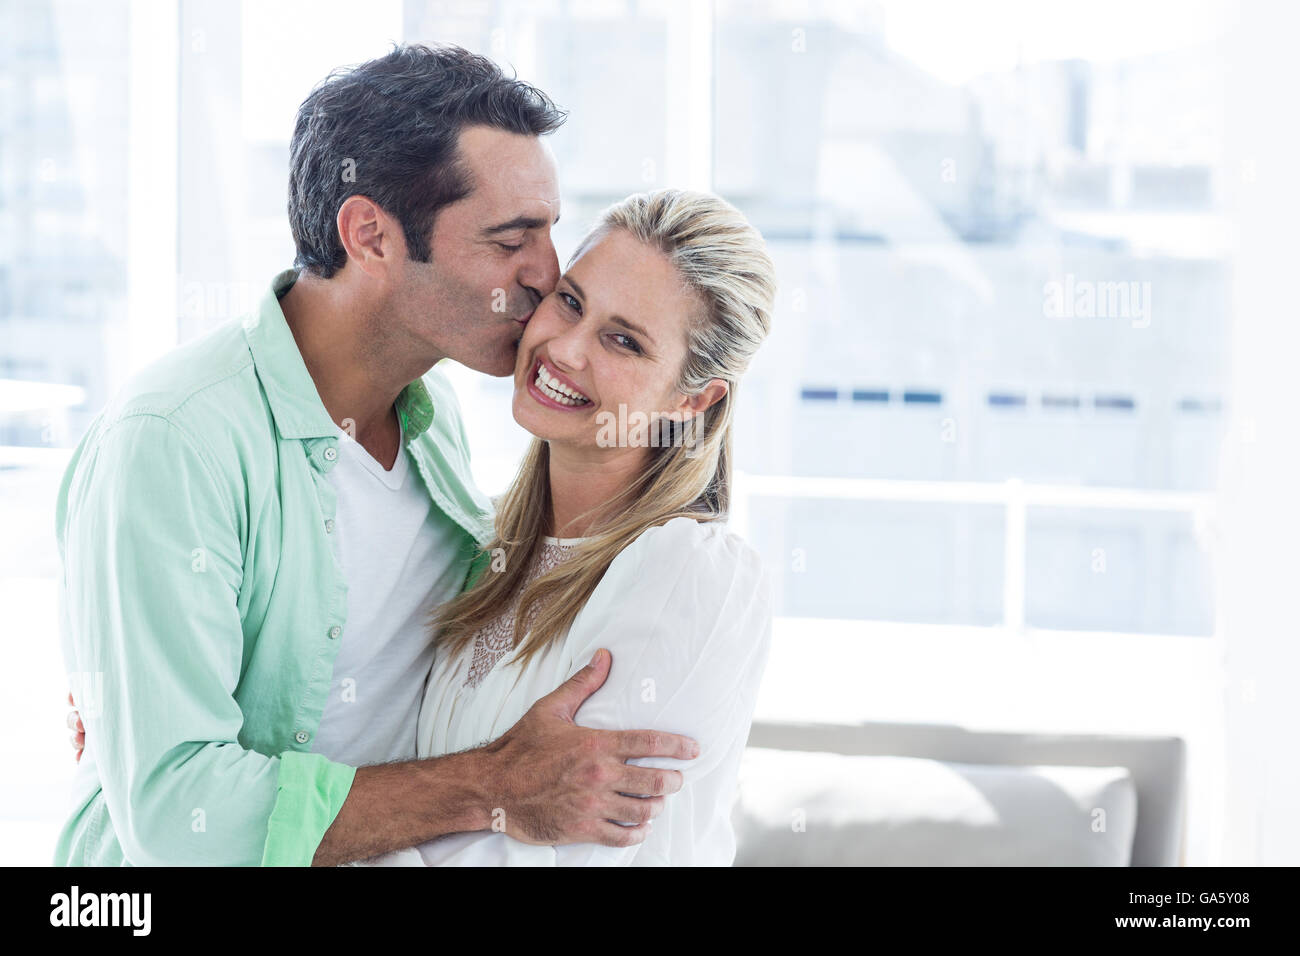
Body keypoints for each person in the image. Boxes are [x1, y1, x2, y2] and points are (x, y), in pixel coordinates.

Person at [54, 43, 701, 867]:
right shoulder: (175, 442)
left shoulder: (437, 424)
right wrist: (492, 785)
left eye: (549, 230)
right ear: (371, 235)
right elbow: (184, 818)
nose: (547, 273)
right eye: (512, 239)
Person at [362, 187, 778, 866]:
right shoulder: (484, 548)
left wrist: (319, 840)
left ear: (691, 399)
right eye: (572, 302)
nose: (566, 349)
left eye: (623, 340)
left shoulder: (691, 574)